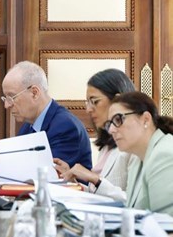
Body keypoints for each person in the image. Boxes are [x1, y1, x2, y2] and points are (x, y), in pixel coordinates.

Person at [0, 61, 92, 174]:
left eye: (11, 97)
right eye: (5, 98)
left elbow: (49, 173)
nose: (7, 105)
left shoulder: (65, 126)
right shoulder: (29, 125)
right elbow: (14, 159)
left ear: (34, 93)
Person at [53, 69, 135, 201]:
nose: (88, 109)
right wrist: (72, 182)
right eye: (87, 103)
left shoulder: (135, 146)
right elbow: (98, 195)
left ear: (117, 100)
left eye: (95, 102)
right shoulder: (107, 145)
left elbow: (136, 202)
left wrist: (95, 179)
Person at [106, 92, 173, 214]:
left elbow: (167, 221)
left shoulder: (165, 155)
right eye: (110, 123)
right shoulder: (137, 159)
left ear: (145, 120)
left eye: (118, 119)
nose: (111, 130)